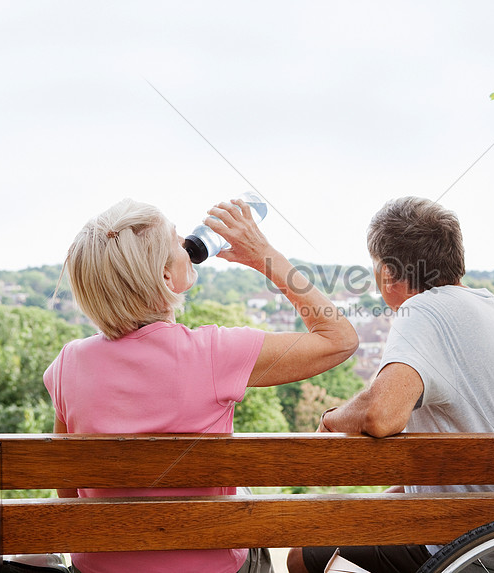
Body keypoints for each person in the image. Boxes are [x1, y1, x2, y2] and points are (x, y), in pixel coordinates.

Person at [43, 197, 358, 573]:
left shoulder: (67, 364)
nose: (188, 246)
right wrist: (263, 256)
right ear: (164, 277)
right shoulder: (216, 353)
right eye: (177, 241)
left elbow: (67, 487)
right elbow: (339, 339)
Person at [287, 197, 494, 573]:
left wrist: (332, 420)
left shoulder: (422, 310)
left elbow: (381, 414)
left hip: (474, 546)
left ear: (388, 274)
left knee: (301, 557)